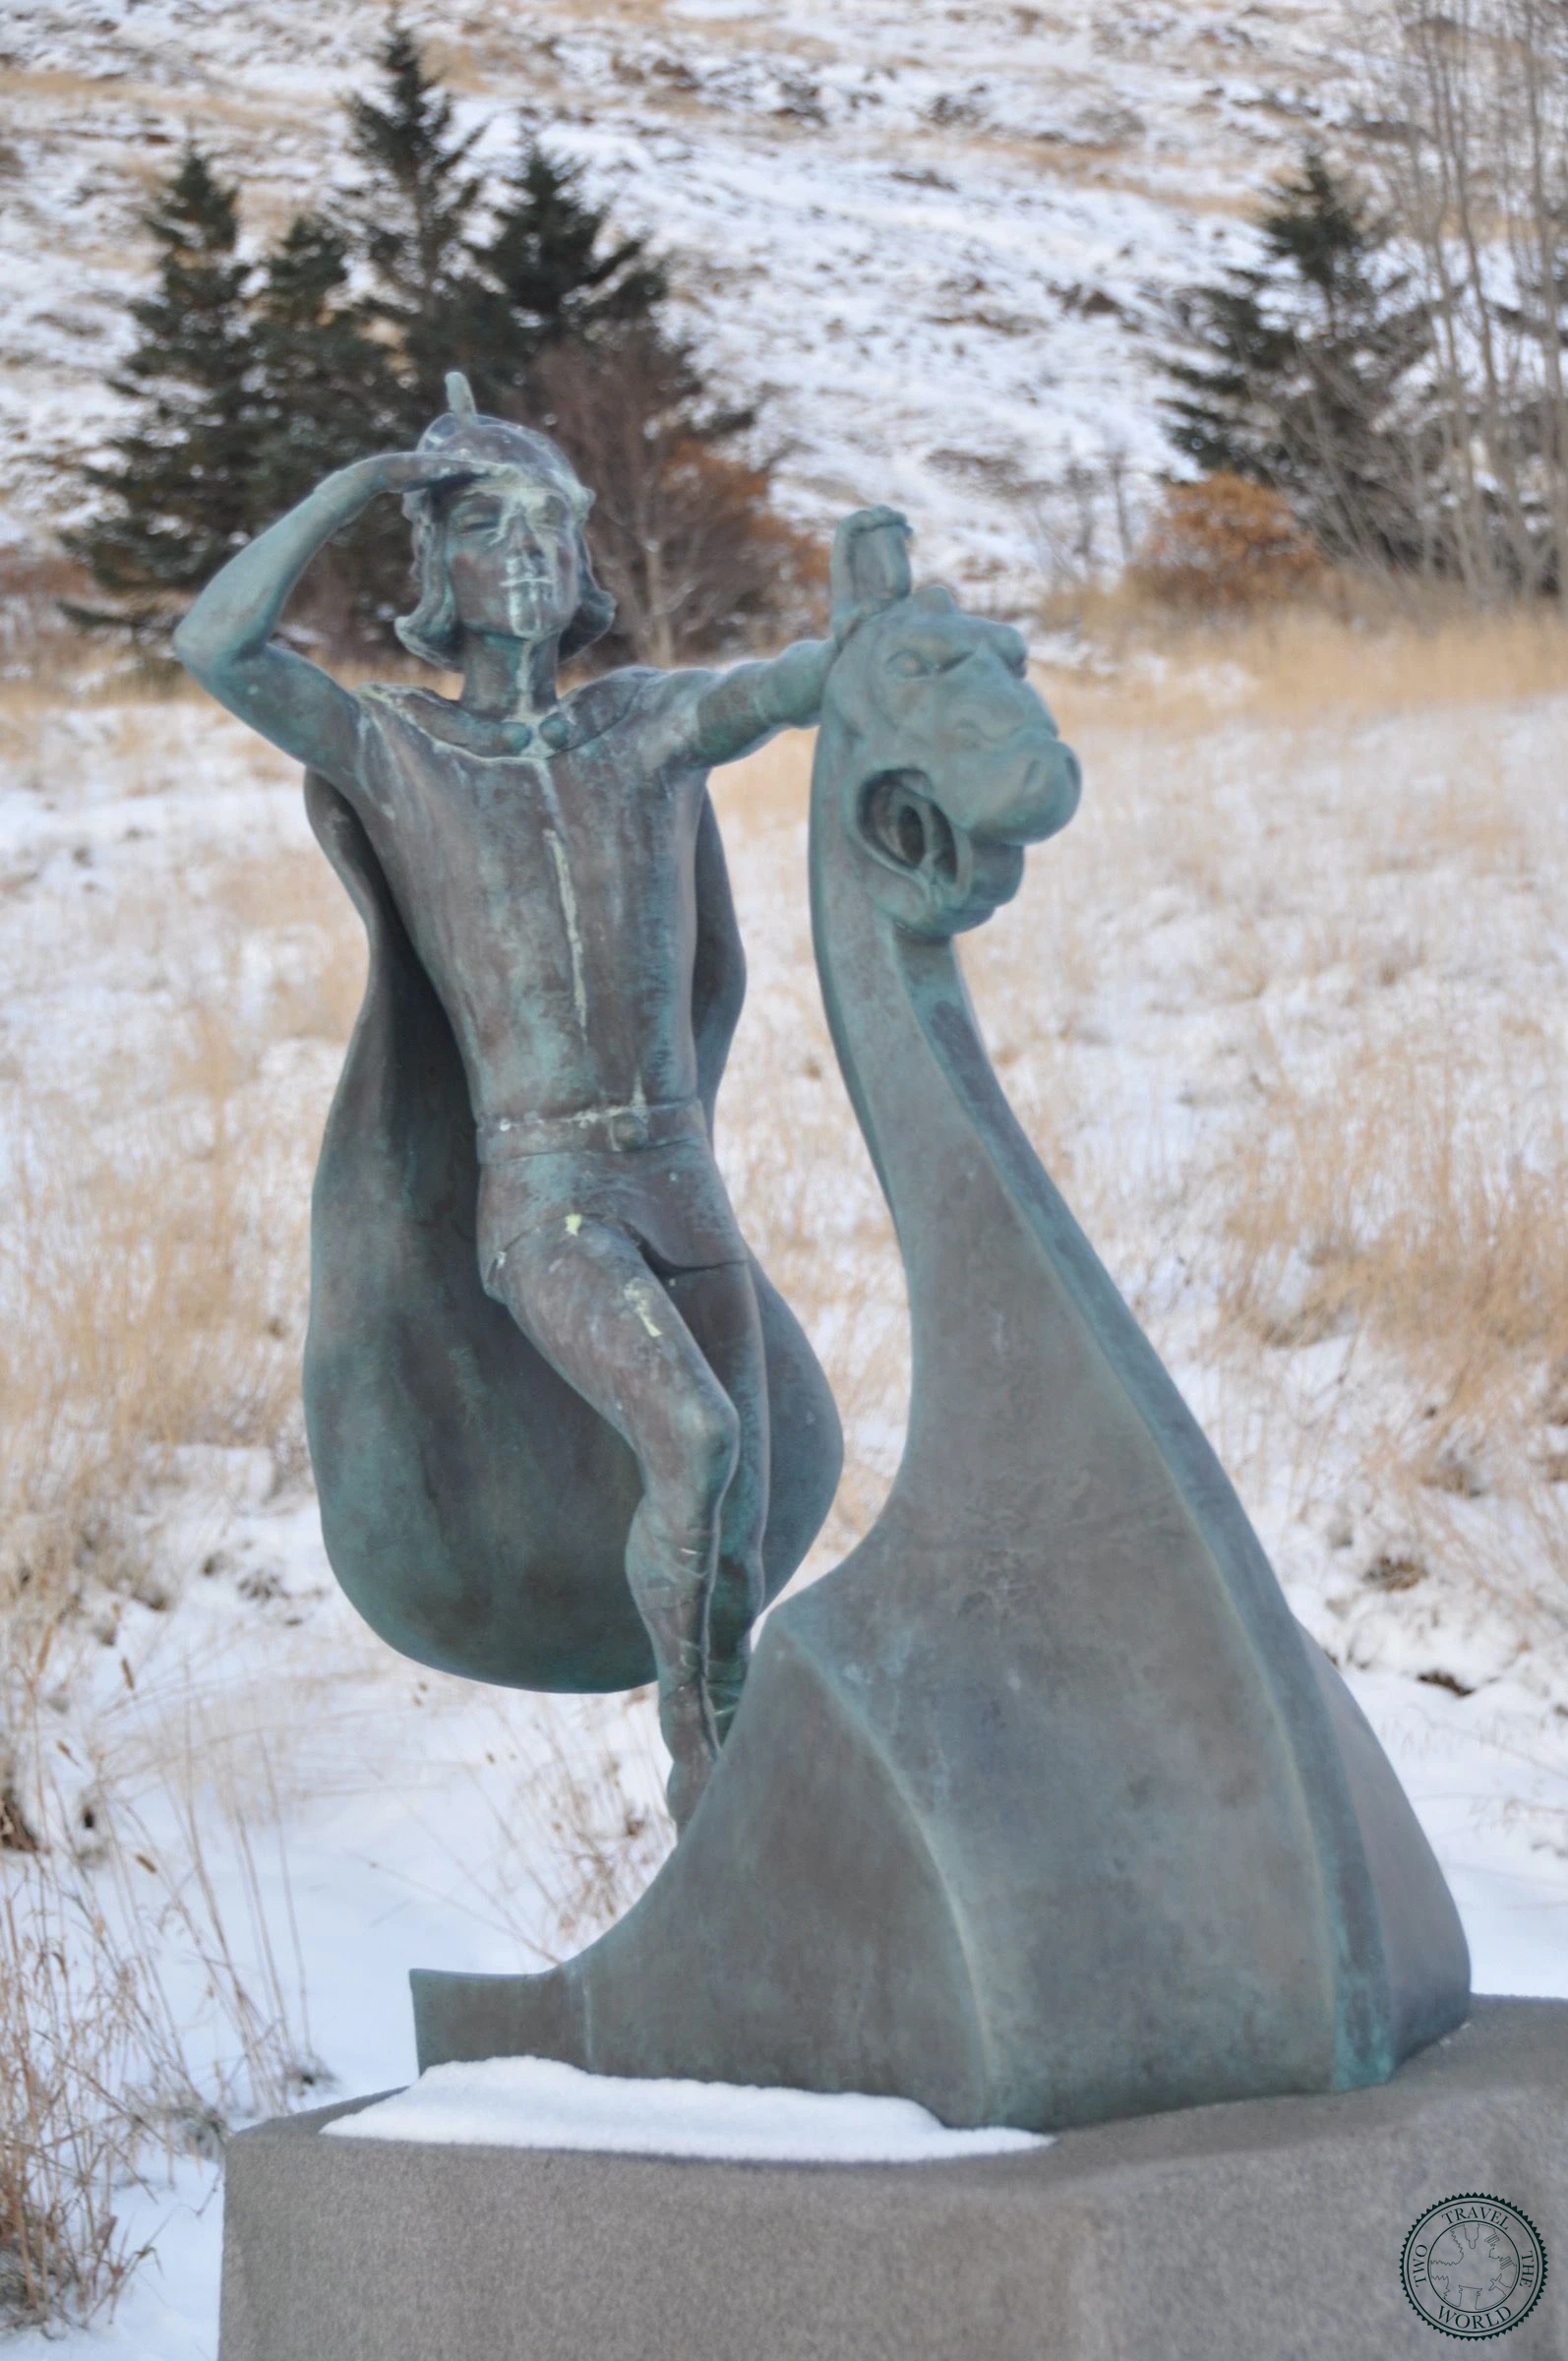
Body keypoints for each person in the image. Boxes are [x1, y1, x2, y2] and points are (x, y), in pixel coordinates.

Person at [175, 370, 905, 1827]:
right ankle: (709, 1793)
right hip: (549, 1197)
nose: (530, 554)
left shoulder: (642, 723)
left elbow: (790, 688)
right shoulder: (398, 747)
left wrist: (888, 644)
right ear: (436, 567)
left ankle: (742, 1795)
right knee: (695, 1447)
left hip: (676, 1178)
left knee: (739, 1508)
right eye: (490, 528)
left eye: (551, 535)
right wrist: (345, 492)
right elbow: (217, 643)